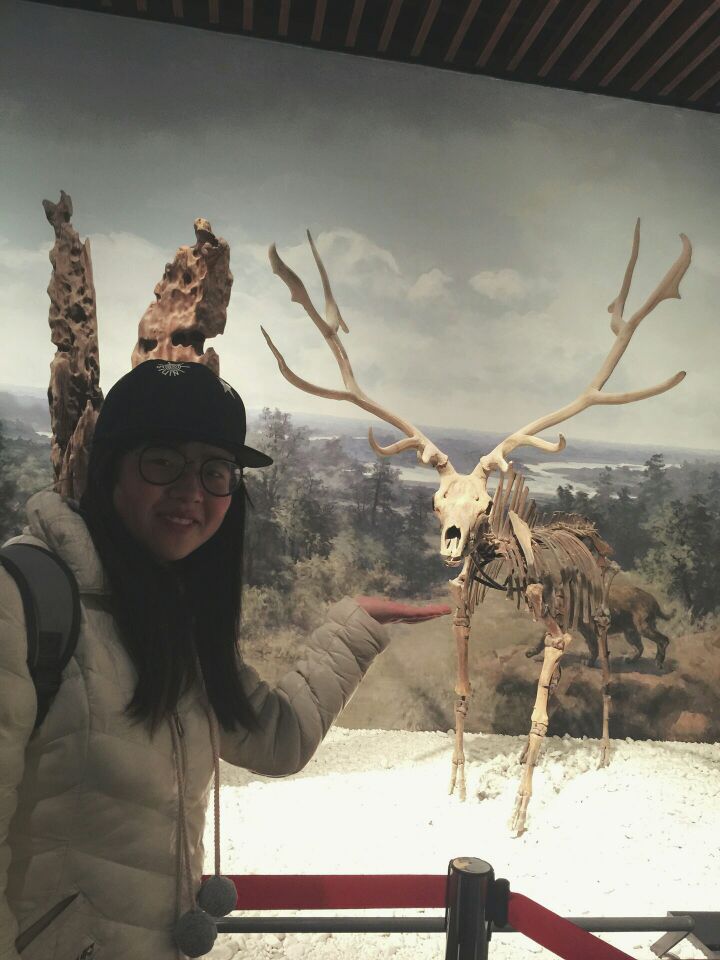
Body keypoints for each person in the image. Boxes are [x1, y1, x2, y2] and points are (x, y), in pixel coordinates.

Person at [0, 359, 449, 960]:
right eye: (163, 461)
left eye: (216, 471)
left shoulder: (174, 616)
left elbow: (277, 738)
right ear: (110, 468)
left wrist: (355, 629)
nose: (192, 491)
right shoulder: (23, 601)